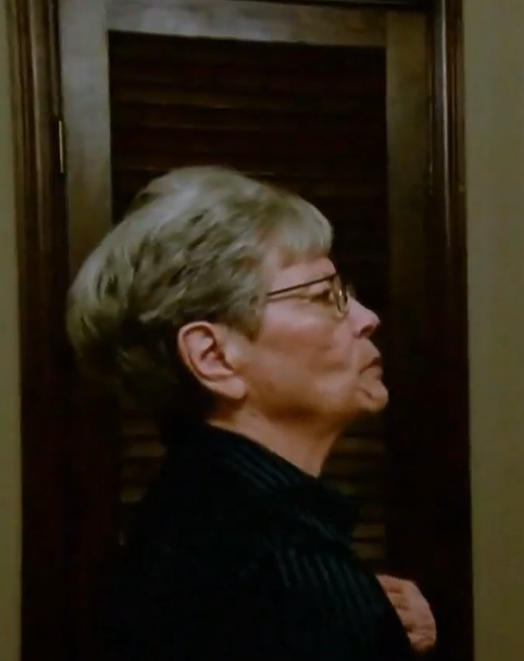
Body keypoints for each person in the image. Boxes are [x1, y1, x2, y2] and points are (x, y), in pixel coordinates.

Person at [66, 166, 436, 660]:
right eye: (323, 296)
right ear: (214, 358)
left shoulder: (180, 520)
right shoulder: (290, 572)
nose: (367, 318)